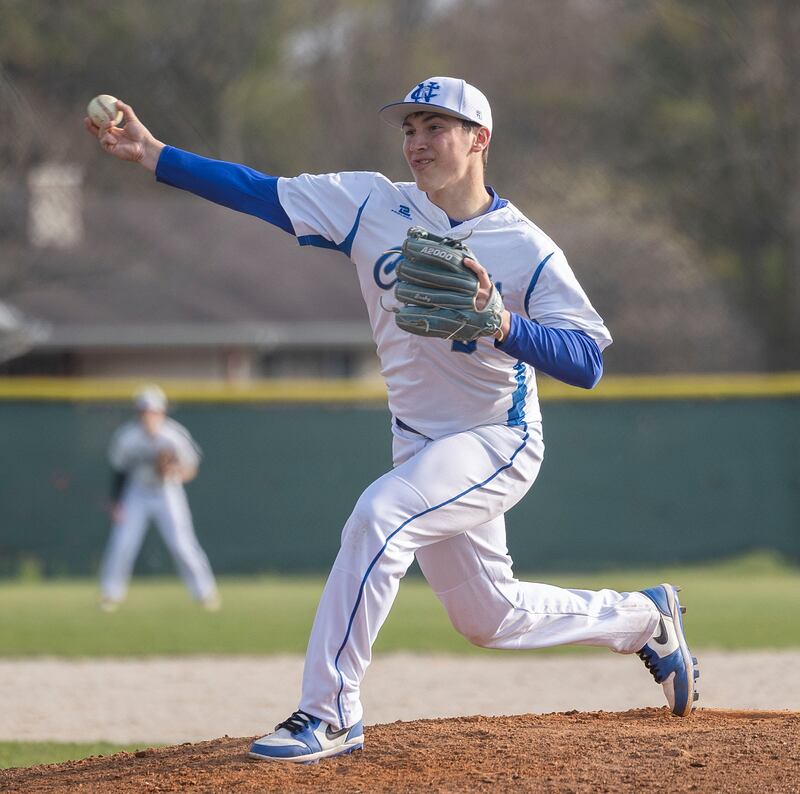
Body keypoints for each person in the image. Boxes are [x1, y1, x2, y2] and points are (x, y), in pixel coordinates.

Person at [86, 76, 698, 762]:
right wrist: (154, 153)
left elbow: (586, 360)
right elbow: (262, 192)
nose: (417, 142)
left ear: (478, 139)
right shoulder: (371, 204)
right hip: (420, 447)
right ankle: (645, 619)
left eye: (435, 126)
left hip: (496, 439)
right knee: (490, 618)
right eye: (409, 128)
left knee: (380, 516)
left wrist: (503, 324)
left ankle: (329, 712)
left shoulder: (525, 246)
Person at [99, 384, 220, 612]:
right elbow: (119, 471)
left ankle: (205, 593)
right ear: (138, 413)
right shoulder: (127, 438)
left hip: (167, 491)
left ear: (162, 412)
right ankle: (110, 594)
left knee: (182, 544)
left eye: (153, 412)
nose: (149, 417)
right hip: (136, 492)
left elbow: (192, 469)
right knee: (123, 543)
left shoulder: (174, 436)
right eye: (144, 412)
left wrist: (174, 471)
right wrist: (116, 502)